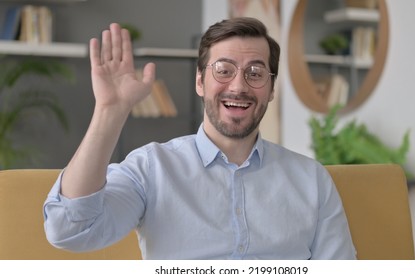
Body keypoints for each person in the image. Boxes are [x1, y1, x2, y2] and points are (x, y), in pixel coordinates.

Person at [43, 17, 356, 260]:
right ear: (200, 81)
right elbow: (69, 230)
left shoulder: (311, 178)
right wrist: (110, 110)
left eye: (256, 73)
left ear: (271, 89)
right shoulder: (152, 168)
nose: (239, 86)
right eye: (223, 70)